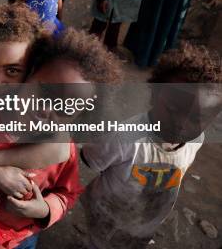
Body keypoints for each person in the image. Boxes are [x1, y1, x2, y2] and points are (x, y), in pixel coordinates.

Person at [0, 27, 122, 248]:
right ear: (29, 72)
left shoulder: (63, 150)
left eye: (66, 109)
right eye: (45, 92)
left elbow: (68, 193)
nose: (47, 109)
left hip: (23, 238)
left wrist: (44, 209)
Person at [81, 41, 221, 248]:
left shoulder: (195, 141)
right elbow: (90, 159)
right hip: (107, 218)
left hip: (147, 220)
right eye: (173, 108)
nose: (182, 124)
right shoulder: (124, 137)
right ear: (155, 95)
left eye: (196, 118)